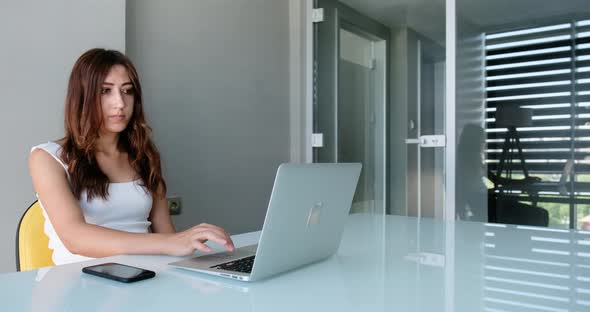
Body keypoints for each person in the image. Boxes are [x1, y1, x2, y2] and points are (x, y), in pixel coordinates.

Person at [28, 48, 235, 265]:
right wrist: (171, 243)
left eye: (127, 91)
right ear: (82, 97)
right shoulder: (48, 158)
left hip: (144, 275)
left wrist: (195, 254)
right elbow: (75, 238)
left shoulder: (144, 155)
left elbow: (167, 234)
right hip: (79, 281)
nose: (120, 103)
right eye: (104, 91)